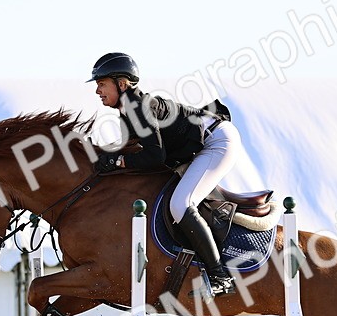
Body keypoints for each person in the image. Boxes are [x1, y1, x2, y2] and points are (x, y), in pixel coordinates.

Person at [88, 51, 241, 296]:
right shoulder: (127, 113)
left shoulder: (138, 107)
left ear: (122, 83)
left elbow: (153, 157)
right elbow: (136, 156)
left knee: (181, 204)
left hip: (218, 141)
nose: (97, 91)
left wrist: (117, 161)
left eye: (101, 84)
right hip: (203, 142)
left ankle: (220, 276)